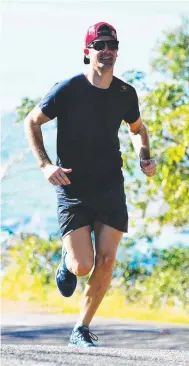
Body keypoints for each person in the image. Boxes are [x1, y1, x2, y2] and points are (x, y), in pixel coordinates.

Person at [23, 22, 157, 347]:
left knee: (108, 260)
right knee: (83, 266)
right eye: (100, 45)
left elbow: (138, 129)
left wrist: (145, 157)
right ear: (88, 51)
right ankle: (67, 262)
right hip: (73, 187)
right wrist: (44, 165)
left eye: (113, 45)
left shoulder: (126, 93)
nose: (108, 50)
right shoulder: (67, 89)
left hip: (110, 185)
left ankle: (80, 328)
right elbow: (32, 121)